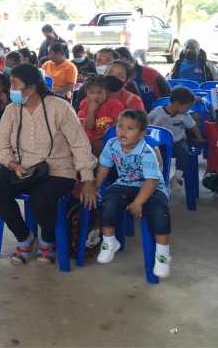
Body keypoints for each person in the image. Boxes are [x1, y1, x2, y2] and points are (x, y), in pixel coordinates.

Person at [0, 64, 98, 265]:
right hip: (22, 166)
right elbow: (1, 146)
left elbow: (79, 144)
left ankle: (48, 239)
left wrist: (88, 179)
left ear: (31, 88)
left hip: (58, 168)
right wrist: (13, 165)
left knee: (40, 200)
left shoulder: (60, 107)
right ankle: (25, 238)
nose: (11, 89)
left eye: (15, 84)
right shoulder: (12, 109)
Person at [95, 109, 171, 278]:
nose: (123, 131)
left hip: (152, 186)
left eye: (130, 128)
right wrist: (95, 187)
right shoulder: (112, 144)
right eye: (120, 126)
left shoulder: (146, 152)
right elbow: (104, 166)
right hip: (125, 183)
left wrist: (137, 202)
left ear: (141, 134)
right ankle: (109, 242)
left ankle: (162, 255)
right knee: (109, 202)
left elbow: (151, 181)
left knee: (159, 212)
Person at [148, 86, 205, 193]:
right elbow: (147, 123)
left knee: (184, 151)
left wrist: (200, 138)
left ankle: (176, 178)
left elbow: (193, 126)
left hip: (177, 141)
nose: (188, 110)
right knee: (150, 153)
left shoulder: (184, 115)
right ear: (177, 104)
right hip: (159, 142)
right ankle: (155, 178)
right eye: (187, 107)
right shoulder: (157, 111)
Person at [77, 75, 125, 156]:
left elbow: (118, 122)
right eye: (92, 93)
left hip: (111, 137)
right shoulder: (84, 105)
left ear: (106, 92)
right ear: (86, 93)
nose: (96, 96)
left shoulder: (115, 105)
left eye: (100, 93)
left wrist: (107, 134)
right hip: (91, 139)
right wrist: (91, 110)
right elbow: (89, 126)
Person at [115, 46, 170, 112]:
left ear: (131, 60)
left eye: (120, 60)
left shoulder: (151, 74)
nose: (118, 65)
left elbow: (168, 96)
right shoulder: (112, 80)